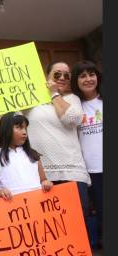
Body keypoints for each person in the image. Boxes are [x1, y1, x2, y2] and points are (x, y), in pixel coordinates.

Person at [23, 61, 90, 216]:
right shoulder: (30, 100)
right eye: (57, 74)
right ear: (47, 76)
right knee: (54, 226)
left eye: (66, 75)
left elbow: (72, 118)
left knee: (77, 220)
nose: (62, 78)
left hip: (72, 171)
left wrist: (54, 93)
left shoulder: (72, 99)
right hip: (43, 174)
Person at [71, 60, 103, 248]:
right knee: (101, 211)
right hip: (92, 170)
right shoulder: (75, 106)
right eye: (82, 75)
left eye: (91, 74)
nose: (88, 79)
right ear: (76, 80)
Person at [0, 112, 53, 199]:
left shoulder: (33, 154)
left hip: (37, 203)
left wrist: (46, 183)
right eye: (19, 127)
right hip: (12, 208)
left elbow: (43, 179)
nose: (24, 132)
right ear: (6, 130)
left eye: (25, 128)